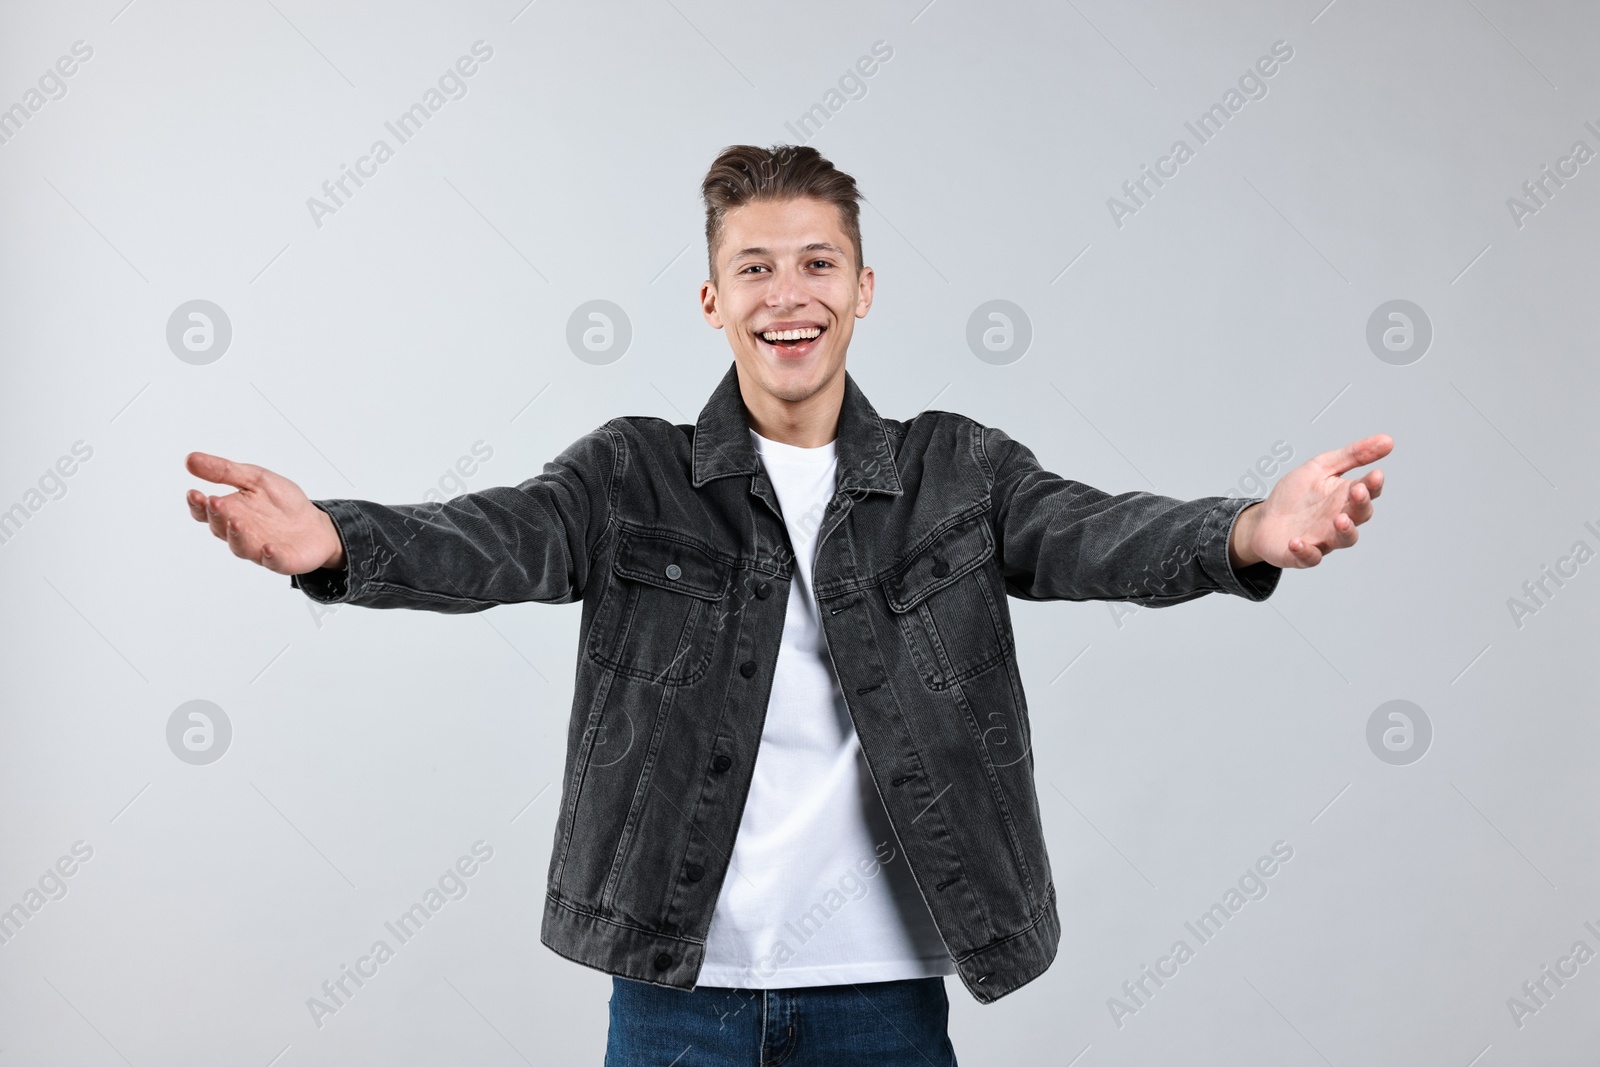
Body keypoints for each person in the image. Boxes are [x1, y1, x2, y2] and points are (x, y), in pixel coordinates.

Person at [185, 144, 1389, 1066]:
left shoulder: (954, 471)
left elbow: (1099, 531)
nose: (787, 294)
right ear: (712, 301)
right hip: (673, 994)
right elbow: (498, 536)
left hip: (884, 995)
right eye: (752, 267)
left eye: (816, 262)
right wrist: (336, 538)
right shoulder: (632, 472)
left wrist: (1245, 529)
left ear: (864, 287)